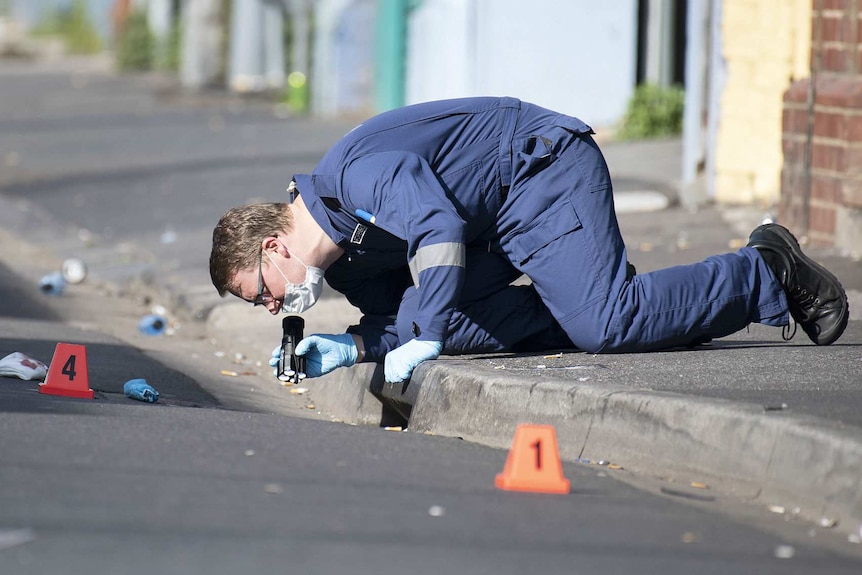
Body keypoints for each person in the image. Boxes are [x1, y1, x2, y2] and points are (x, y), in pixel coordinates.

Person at [209, 96, 849, 384]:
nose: (269, 308)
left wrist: (423, 325)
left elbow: (436, 228)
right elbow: (406, 321)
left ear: (272, 248)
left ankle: (765, 267)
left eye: (257, 294)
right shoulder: (347, 266)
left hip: (537, 173)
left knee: (604, 322)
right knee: (454, 326)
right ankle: (665, 316)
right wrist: (353, 347)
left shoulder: (354, 178)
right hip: (494, 229)